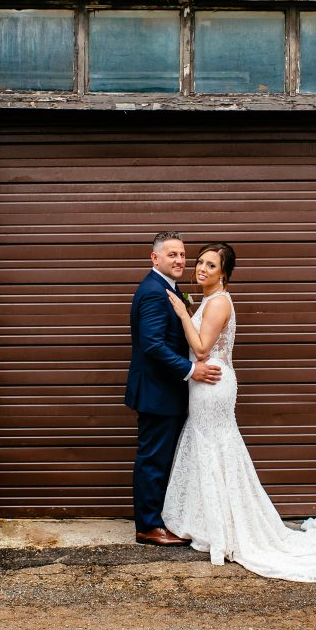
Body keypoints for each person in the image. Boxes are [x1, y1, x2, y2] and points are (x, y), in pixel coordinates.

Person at [161, 242, 316, 582]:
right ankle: (213, 523)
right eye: (200, 262)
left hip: (213, 383)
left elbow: (202, 348)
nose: (201, 269)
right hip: (204, 385)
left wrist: (180, 312)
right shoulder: (208, 300)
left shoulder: (219, 302)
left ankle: (229, 528)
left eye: (211, 265)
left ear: (224, 274)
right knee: (210, 447)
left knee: (216, 447)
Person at [125, 232, 222, 546]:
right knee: (153, 459)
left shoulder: (170, 288)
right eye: (172, 255)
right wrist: (193, 370)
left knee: (162, 457)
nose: (180, 260)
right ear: (155, 258)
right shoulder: (154, 291)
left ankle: (161, 519)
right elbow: (153, 345)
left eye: (182, 254)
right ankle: (148, 526)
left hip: (166, 391)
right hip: (157, 392)